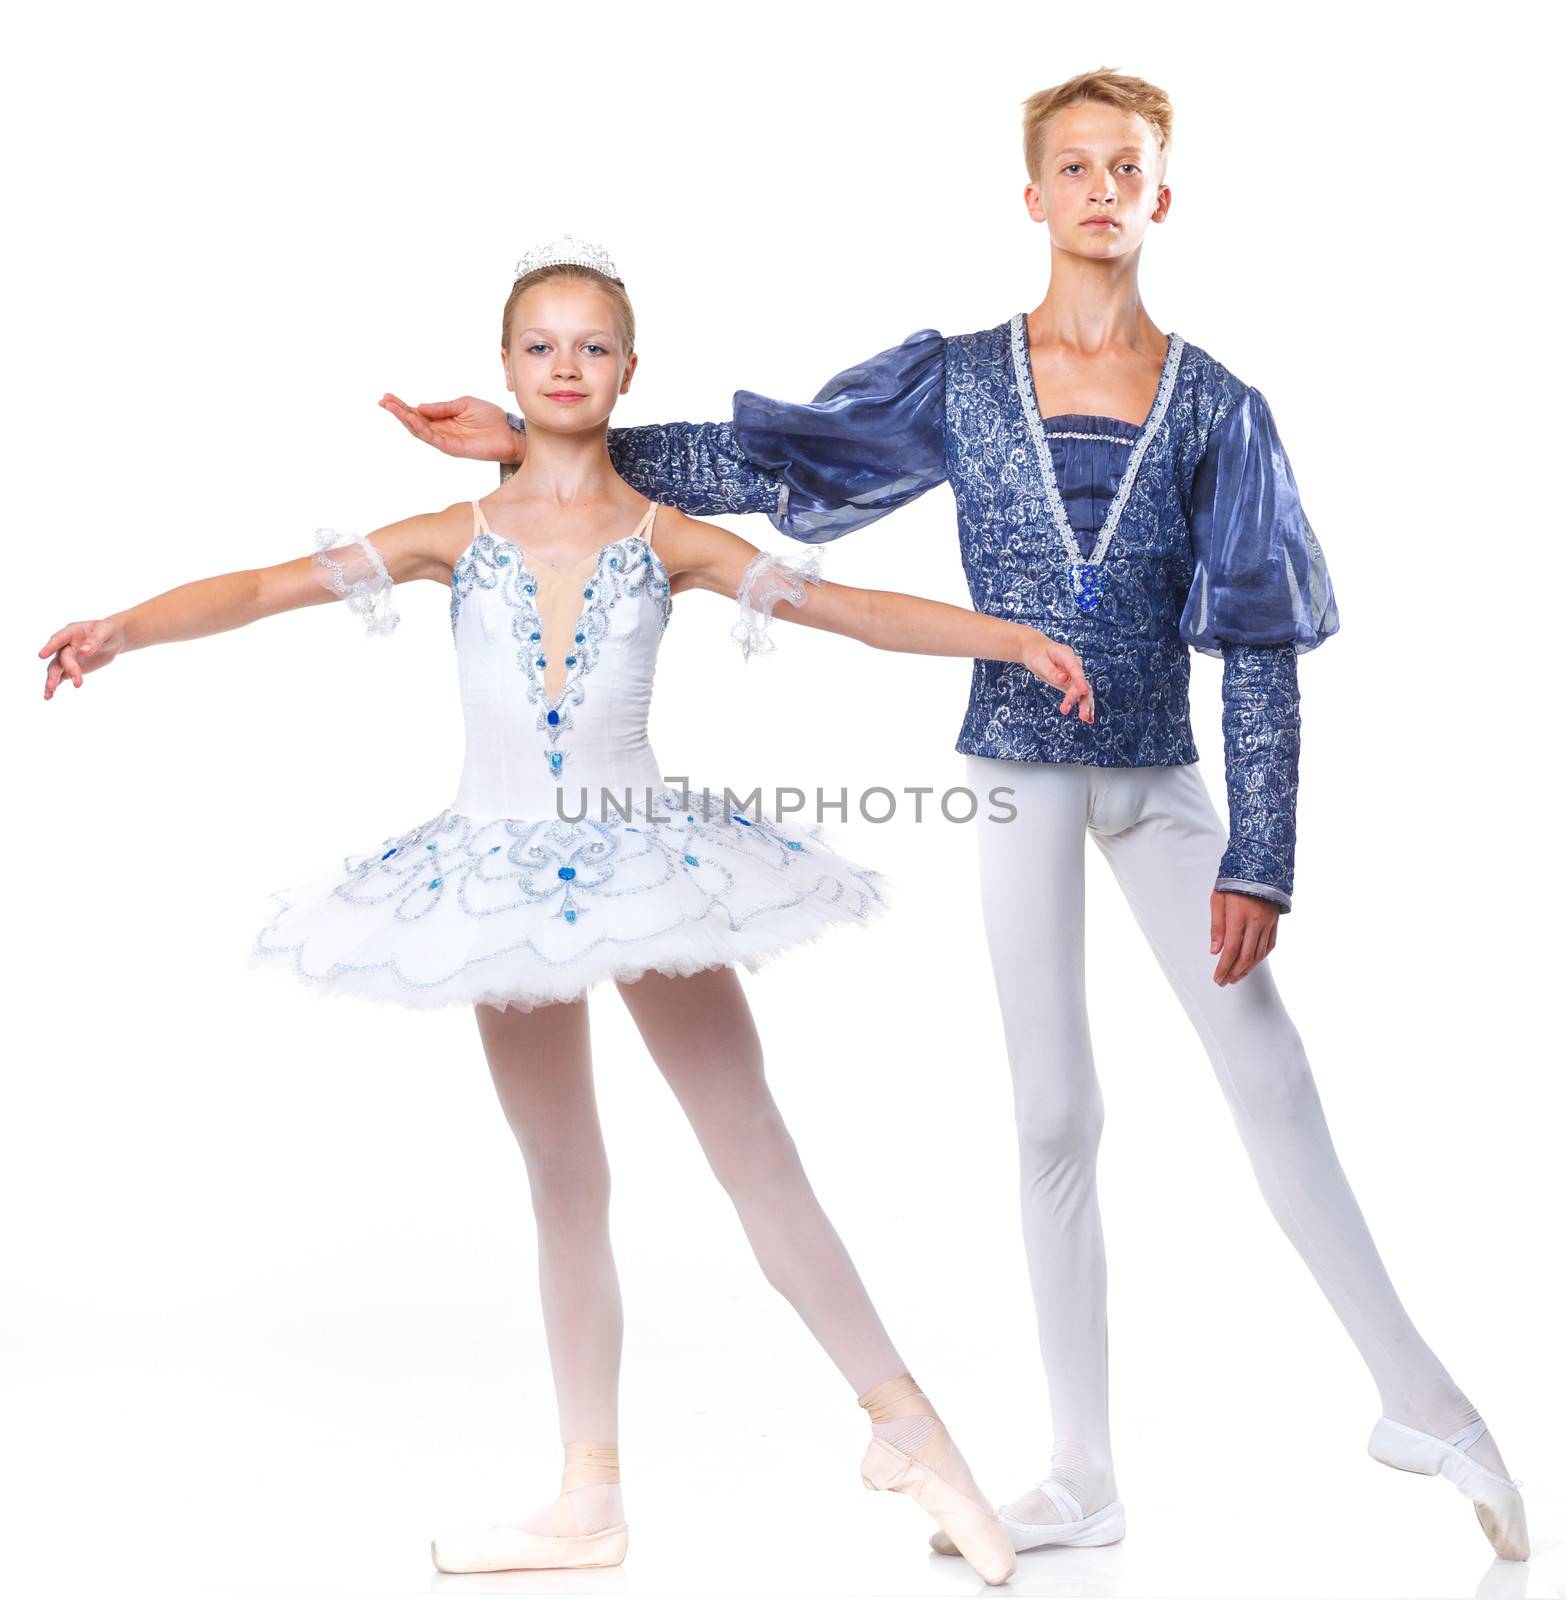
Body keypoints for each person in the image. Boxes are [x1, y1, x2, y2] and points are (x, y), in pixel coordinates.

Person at [383, 75, 1530, 1564]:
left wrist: (1259, 850)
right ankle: (1079, 1472)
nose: (1101, 187)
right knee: (1053, 1111)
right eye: (1073, 165)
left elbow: (1255, 643)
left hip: (1158, 773)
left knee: (1270, 1074)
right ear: (1034, 196)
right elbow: (776, 470)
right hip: (1014, 769)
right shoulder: (967, 379)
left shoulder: (1221, 409)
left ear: (1161, 196)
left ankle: (1426, 1402)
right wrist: (537, 446)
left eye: (1128, 166)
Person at [36, 240, 1101, 1584]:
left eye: (590, 346)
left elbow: (846, 608)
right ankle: (585, 1497)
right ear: (506, 370)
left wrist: (1006, 636)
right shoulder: (451, 535)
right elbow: (258, 589)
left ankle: (913, 1434)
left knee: (751, 1144)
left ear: (625, 373)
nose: (563, 366)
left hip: (638, 854)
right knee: (564, 1180)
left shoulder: (664, 538)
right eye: (539, 346)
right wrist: (123, 626)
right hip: (492, 880)